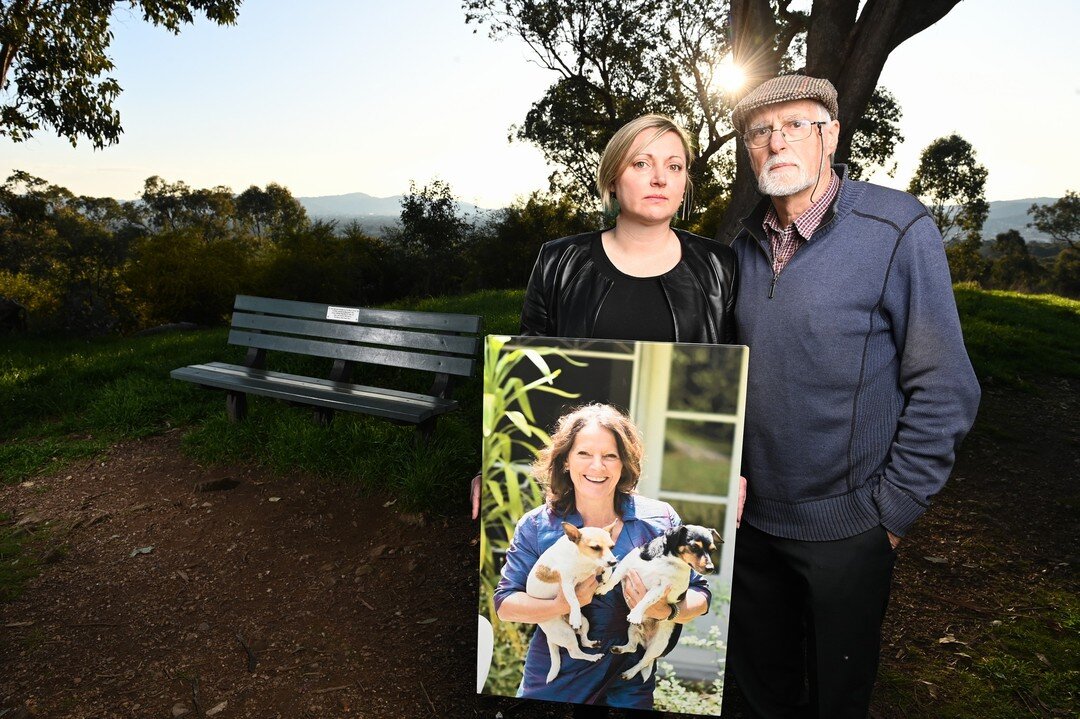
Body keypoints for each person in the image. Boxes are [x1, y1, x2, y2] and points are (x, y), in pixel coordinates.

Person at [725, 74, 981, 719]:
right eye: (761, 131)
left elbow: (946, 385)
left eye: (796, 125)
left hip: (850, 526)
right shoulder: (738, 248)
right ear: (748, 149)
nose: (777, 142)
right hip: (751, 526)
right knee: (760, 696)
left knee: (838, 698)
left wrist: (892, 511)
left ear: (831, 135)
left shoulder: (896, 228)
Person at [475, 114, 741, 716]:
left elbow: (744, 378)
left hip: (630, 693)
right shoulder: (559, 261)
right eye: (641, 163)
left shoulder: (720, 267)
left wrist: (736, 477)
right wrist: (484, 461)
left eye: (674, 166)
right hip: (553, 689)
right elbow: (528, 346)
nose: (659, 178)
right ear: (613, 176)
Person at [493, 404, 711, 710]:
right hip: (555, 683)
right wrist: (564, 603)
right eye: (584, 454)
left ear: (624, 463)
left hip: (629, 683)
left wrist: (667, 611)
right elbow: (505, 606)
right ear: (566, 460)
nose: (598, 467)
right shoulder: (537, 526)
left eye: (610, 455)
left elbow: (700, 594)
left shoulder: (660, 521)